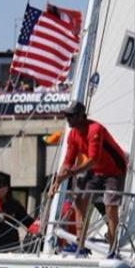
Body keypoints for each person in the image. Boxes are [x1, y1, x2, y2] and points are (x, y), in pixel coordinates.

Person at [50, 101, 127, 253]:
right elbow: (67, 161)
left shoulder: (95, 130)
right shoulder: (73, 134)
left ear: (81, 116)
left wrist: (73, 173)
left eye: (70, 116)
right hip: (96, 171)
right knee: (79, 199)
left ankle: (113, 247)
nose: (68, 119)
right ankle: (81, 245)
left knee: (110, 207)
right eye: (66, 116)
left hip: (114, 171)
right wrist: (57, 181)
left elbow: (93, 159)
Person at [0, 176, 33, 250]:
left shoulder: (14, 205)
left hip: (10, 247)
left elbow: (27, 221)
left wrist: (37, 227)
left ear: (6, 189)